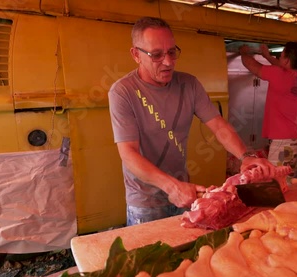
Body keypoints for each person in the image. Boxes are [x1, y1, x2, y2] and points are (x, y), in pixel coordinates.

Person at [108, 17, 275, 226]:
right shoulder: (123, 92)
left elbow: (218, 125)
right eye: (157, 55)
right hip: (145, 201)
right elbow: (128, 154)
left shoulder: (189, 84)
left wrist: (246, 156)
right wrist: (171, 187)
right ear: (136, 55)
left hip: (184, 193)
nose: (168, 62)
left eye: (172, 52)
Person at [239, 42, 297, 179]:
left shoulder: (279, 75)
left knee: (276, 184)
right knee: (291, 184)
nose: (279, 59)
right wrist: (267, 56)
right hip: (296, 141)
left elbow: (252, 66)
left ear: (287, 60)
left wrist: (243, 52)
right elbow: (282, 67)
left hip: (283, 144)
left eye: (281, 56)